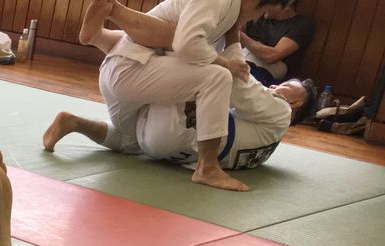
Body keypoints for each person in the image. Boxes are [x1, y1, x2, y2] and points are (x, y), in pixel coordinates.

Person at [45, 5, 317, 171]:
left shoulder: (281, 113)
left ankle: (111, 24)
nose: (277, 86)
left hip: (176, 129)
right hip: (170, 148)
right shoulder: (267, 141)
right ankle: (74, 122)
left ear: (296, 103)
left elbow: (238, 84)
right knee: (129, 141)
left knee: (196, 53)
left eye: (287, 86)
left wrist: (232, 35)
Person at [84, 0, 295, 192]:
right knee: (218, 76)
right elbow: (187, 45)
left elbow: (230, 53)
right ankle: (207, 167)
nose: (260, 17)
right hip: (130, 73)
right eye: (264, 10)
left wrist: (233, 54)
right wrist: (225, 64)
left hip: (125, 72)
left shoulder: (229, 12)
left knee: (130, 143)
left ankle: (74, 122)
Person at [239, 0, 314, 85]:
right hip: (242, 60)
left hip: (265, 72)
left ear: (287, 4)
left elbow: (272, 56)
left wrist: (238, 33)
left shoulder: (302, 24)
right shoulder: (259, 14)